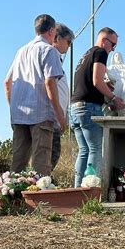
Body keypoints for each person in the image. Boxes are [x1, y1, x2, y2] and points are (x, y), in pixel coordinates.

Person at [4, 14, 66, 176]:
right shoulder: (49, 50)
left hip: (19, 115)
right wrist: (60, 116)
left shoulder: (21, 51)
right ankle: (39, 200)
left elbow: (7, 82)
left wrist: (14, 108)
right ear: (51, 31)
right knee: (41, 162)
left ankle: (11, 198)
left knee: (18, 162)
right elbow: (50, 83)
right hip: (41, 115)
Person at [70, 27, 125, 187]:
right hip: (88, 108)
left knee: (84, 151)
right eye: (113, 44)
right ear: (104, 40)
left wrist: (104, 86)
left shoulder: (86, 54)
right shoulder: (100, 52)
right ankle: (90, 192)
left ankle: (77, 190)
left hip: (75, 107)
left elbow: (90, 83)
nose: (113, 49)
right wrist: (113, 98)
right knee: (95, 149)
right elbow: (97, 81)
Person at [51, 23, 74, 170]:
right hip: (51, 117)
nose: (69, 46)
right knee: (50, 156)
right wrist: (60, 116)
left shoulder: (56, 58)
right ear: (57, 38)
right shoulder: (51, 54)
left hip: (56, 117)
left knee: (53, 155)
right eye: (68, 41)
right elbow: (50, 85)